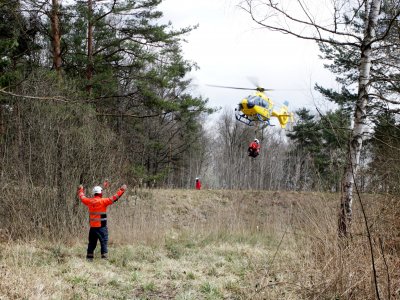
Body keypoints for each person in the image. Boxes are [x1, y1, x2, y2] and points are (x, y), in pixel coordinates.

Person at [77, 183, 127, 261]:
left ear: (94, 193)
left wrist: (80, 189)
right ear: (100, 193)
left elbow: (82, 197)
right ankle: (104, 260)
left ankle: (89, 259)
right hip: (101, 228)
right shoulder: (103, 201)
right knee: (103, 242)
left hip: (92, 228)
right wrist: (122, 190)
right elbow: (115, 198)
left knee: (91, 244)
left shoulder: (89, 201)